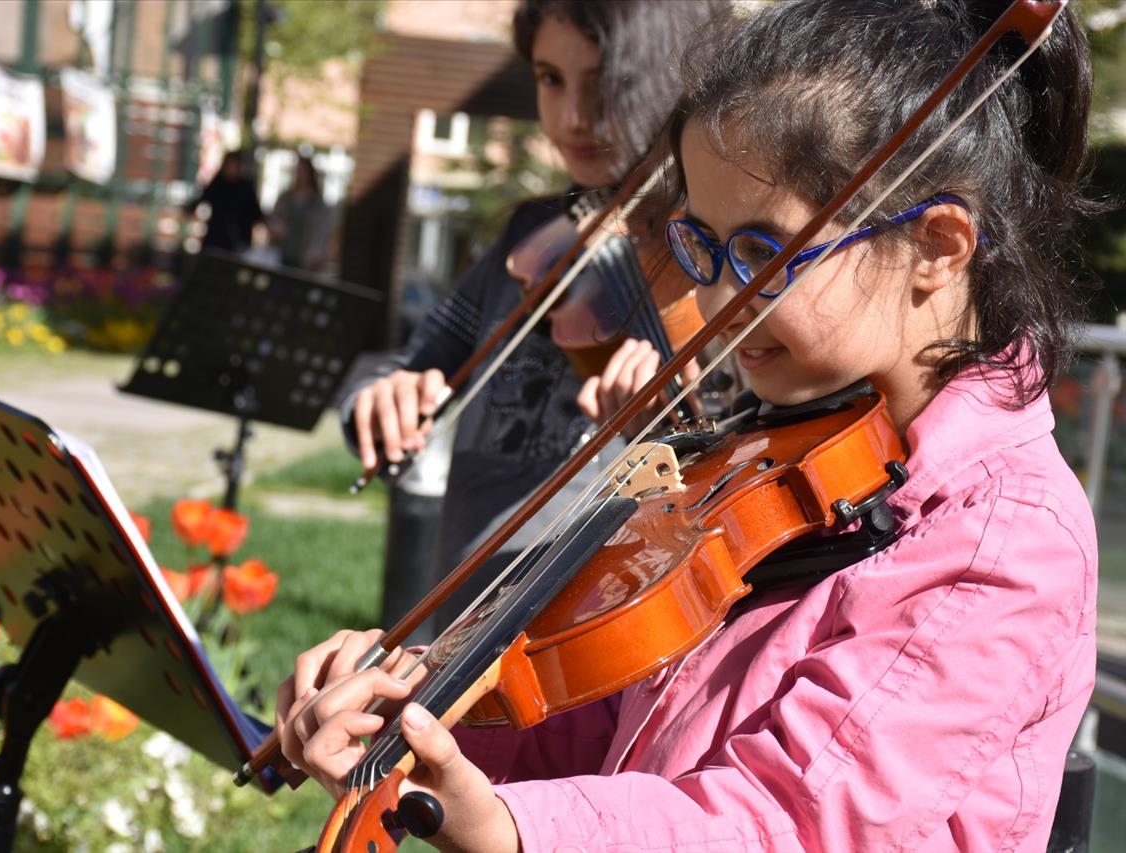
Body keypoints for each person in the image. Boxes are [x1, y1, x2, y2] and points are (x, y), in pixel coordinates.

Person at [278, 1, 1101, 850]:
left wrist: (511, 829)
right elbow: (607, 730)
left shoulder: (1002, 540)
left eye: (763, 253)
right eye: (701, 247)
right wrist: (420, 726)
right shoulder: (785, 457)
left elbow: (794, 821)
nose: (717, 299)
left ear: (936, 245)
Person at [338, 0, 722, 632]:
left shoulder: (714, 266)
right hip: (459, 623)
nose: (573, 117)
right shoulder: (533, 240)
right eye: (550, 78)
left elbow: (726, 491)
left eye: (606, 86)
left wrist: (659, 436)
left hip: (593, 640)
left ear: (670, 77)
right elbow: (414, 363)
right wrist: (383, 399)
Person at [188, 148, 266, 254]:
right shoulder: (218, 183)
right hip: (216, 239)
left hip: (237, 243)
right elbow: (203, 198)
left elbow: (255, 212)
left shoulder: (245, 188)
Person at [268, 152, 332, 273]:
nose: (299, 174)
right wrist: (276, 228)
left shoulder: (317, 204)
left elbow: (322, 231)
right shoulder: (286, 198)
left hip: (305, 260)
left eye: (302, 171)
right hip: (282, 255)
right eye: (297, 170)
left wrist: (315, 253)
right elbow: (273, 220)